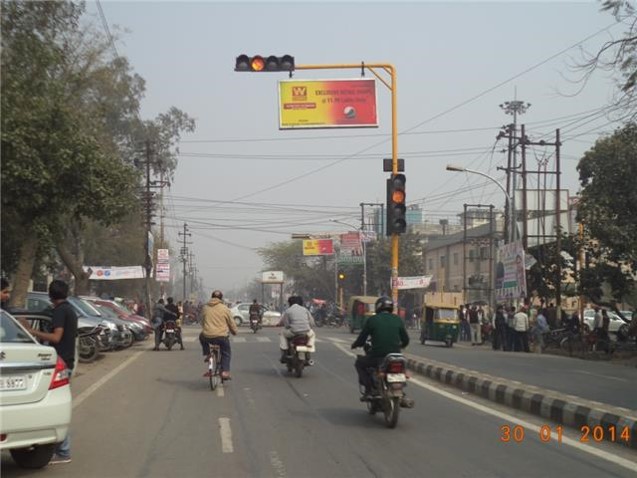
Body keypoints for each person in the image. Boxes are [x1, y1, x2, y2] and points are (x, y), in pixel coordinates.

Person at [18, 280, 77, 464]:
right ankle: (59, 449)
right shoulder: (70, 310)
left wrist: (31, 331)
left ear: (51, 295)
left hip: (59, 363)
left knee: (55, 405)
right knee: (57, 405)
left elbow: (56, 337)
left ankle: (63, 451)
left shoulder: (59, 312)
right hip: (66, 361)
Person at [351, 296, 410, 400]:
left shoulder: (372, 320)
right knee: (402, 370)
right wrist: (401, 346)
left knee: (359, 363)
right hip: (396, 355)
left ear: (378, 307)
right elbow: (406, 339)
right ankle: (401, 392)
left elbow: (362, 337)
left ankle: (368, 390)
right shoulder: (398, 319)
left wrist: (355, 344)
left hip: (378, 356)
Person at [200, 290, 237, 380]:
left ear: (211, 297)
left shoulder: (205, 307)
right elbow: (231, 323)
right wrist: (234, 331)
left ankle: (208, 354)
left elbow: (202, 321)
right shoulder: (225, 308)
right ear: (221, 298)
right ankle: (224, 372)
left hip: (207, 336)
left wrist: (207, 327)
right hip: (221, 337)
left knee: (201, 336)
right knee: (226, 352)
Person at [279, 296, 316, 363]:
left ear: (290, 303)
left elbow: (286, 325)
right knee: (312, 334)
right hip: (306, 331)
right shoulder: (305, 310)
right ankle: (310, 344)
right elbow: (312, 322)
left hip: (294, 332)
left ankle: (285, 350)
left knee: (282, 333)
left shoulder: (288, 311)